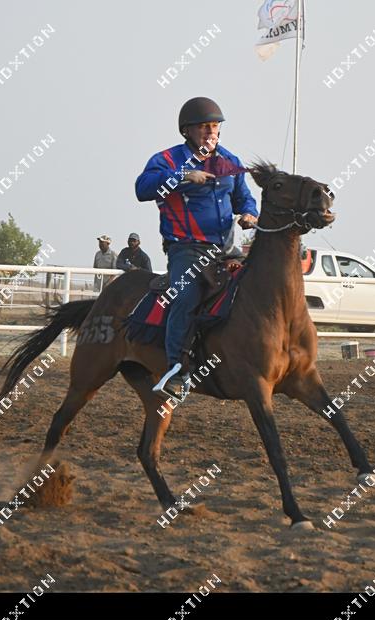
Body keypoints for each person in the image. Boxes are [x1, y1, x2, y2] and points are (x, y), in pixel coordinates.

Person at [135, 96, 258, 397]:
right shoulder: (166, 160)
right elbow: (142, 189)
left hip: (226, 249)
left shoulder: (230, 161)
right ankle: (176, 371)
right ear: (187, 130)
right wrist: (182, 176)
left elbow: (244, 197)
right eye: (204, 127)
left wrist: (249, 213)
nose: (210, 132)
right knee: (185, 296)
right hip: (186, 249)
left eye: (214, 126)